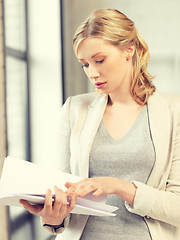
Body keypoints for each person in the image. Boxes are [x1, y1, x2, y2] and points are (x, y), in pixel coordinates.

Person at [20, 9, 180, 240]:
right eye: (85, 64)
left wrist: (119, 186)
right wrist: (53, 218)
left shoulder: (174, 112)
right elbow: (63, 194)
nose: (92, 73)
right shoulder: (74, 110)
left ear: (129, 50)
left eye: (99, 60)